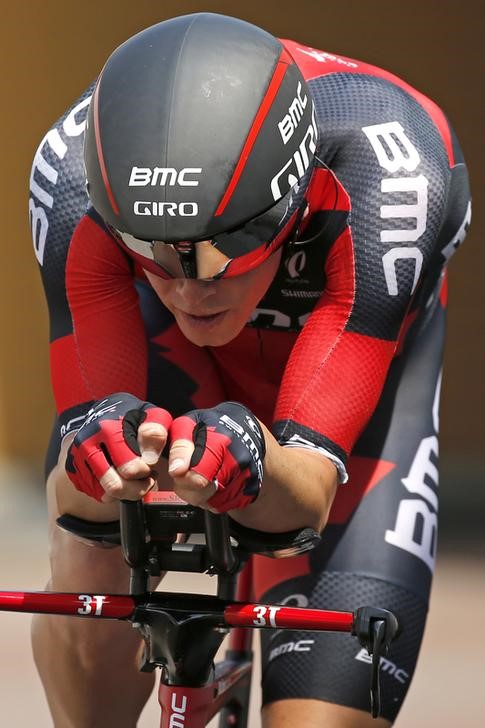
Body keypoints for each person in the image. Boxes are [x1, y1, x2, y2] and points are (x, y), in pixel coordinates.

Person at [28, 11, 470, 728]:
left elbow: (309, 493)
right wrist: (93, 459)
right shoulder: (71, 174)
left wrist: (259, 457)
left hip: (348, 380)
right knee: (88, 543)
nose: (191, 288)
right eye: (152, 247)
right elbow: (77, 503)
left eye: (229, 241)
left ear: (294, 198)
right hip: (170, 364)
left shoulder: (390, 169)